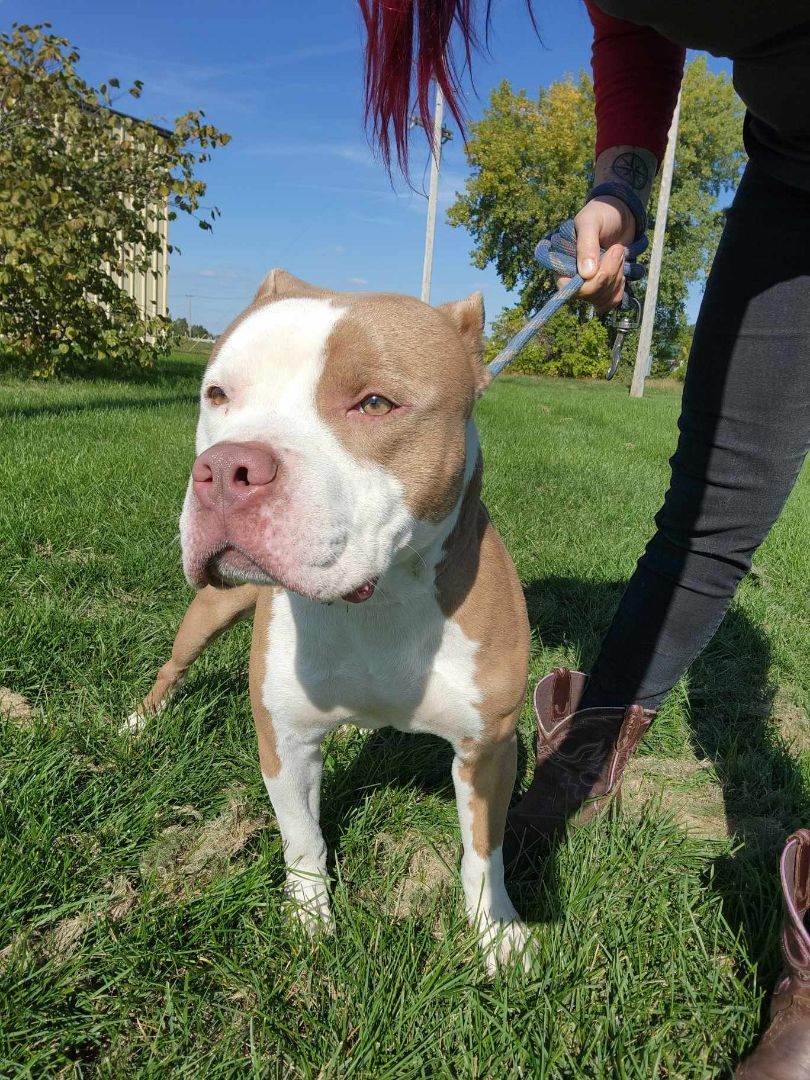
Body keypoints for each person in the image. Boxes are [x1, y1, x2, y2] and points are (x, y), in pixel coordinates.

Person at [358, 1, 810, 1074]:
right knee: (710, 501)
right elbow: (637, 28)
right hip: (795, 169)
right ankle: (590, 756)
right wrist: (617, 186)